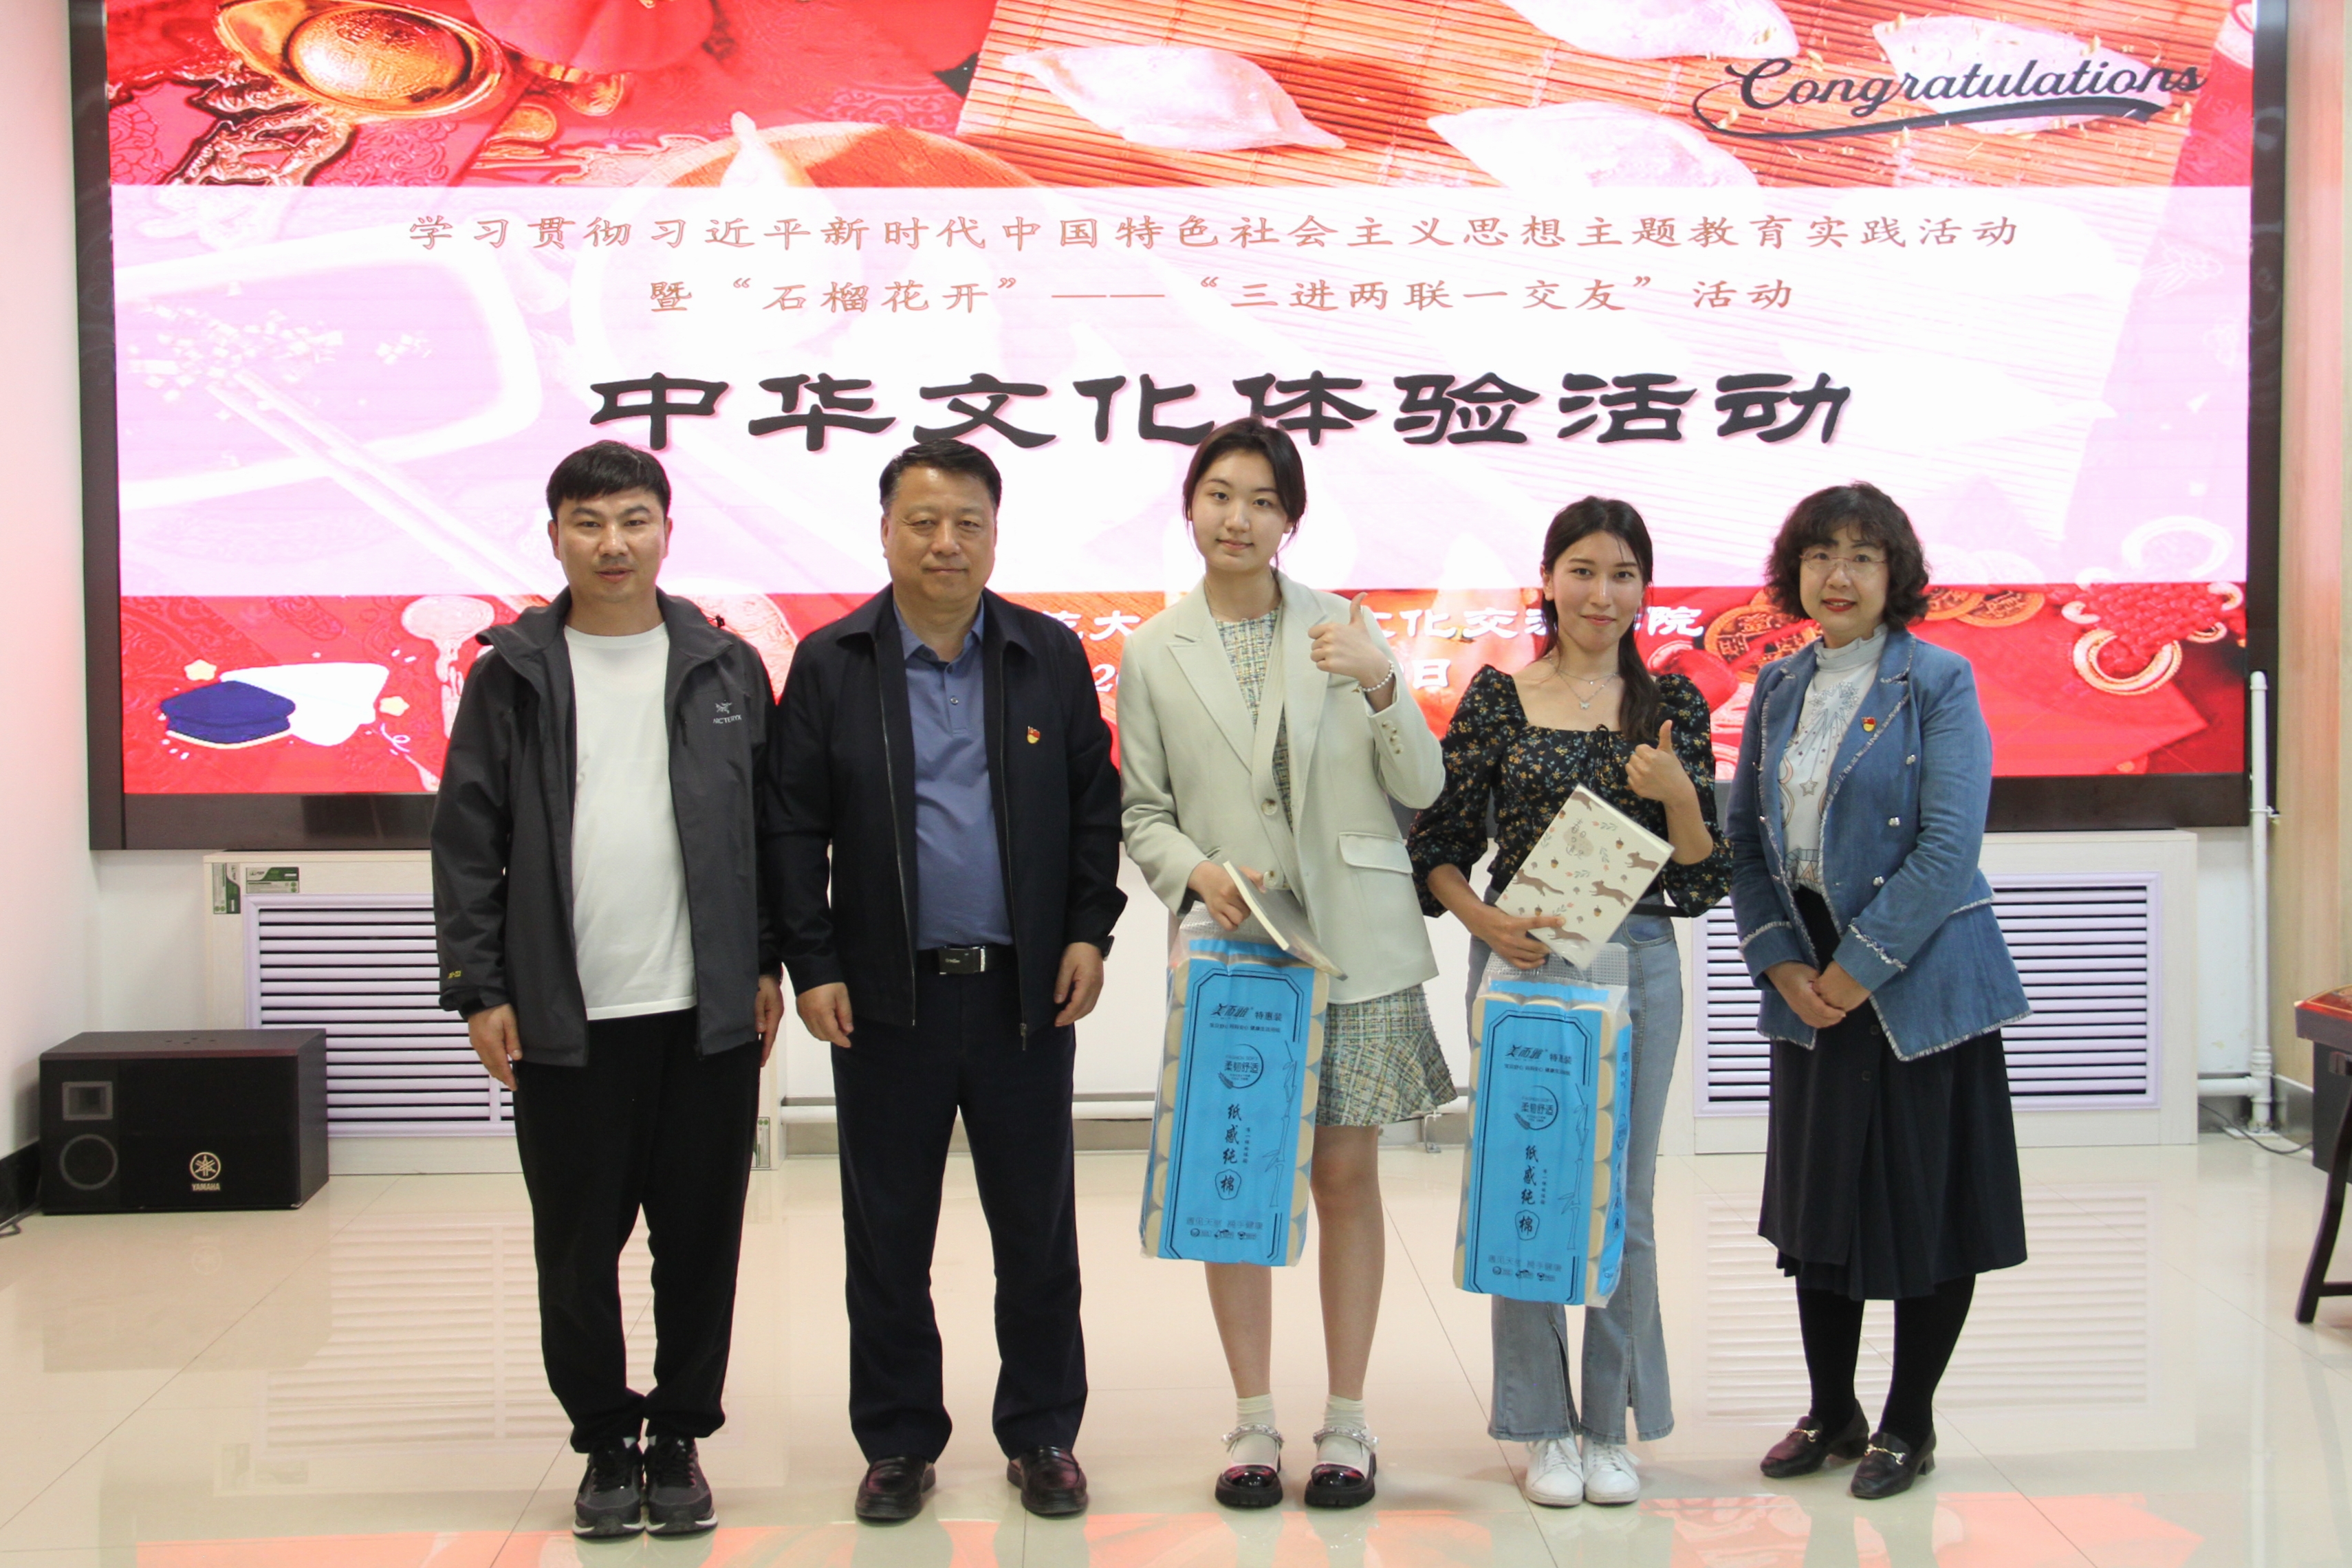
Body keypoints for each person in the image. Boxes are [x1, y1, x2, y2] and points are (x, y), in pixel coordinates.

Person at [767, 438, 1126, 1525]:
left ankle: (1043, 1434)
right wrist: (813, 962)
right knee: (887, 1237)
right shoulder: (832, 663)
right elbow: (792, 827)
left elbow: (1093, 806)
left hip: (1025, 997)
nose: (945, 543)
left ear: (994, 534)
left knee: (1037, 1232)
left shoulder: (1044, 654)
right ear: (885, 532)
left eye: (968, 522)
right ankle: (897, 1441)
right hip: (887, 1000)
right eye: (922, 522)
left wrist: (1089, 932)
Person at [431, 439, 785, 1540]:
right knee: (578, 1249)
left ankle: (677, 1435)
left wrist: (766, 963)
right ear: (555, 539)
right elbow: (467, 839)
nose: (613, 543)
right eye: (588, 523)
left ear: (667, 532)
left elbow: (768, 831)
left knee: (700, 1243)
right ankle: (599, 1440)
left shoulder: (725, 668)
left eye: (634, 519)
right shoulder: (510, 674)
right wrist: (478, 987)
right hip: (565, 1017)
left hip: (704, 1014)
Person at [1118, 417, 1448, 1512]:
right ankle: (1252, 1421)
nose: (1240, 518)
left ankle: (1347, 1421)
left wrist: (1384, 682)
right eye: (1221, 494)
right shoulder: (1153, 650)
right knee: (1238, 1179)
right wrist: (1197, 872)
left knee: (1346, 1178)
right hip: (1238, 948)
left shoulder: (1345, 626)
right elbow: (1144, 811)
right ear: (1191, 508)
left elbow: (1424, 787)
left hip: (1354, 938)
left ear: (1291, 521)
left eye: (1264, 500)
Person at [1408, 497, 1731, 1507]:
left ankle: (1609, 1424)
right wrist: (1486, 921)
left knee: (1623, 1199)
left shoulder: (1672, 703)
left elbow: (1700, 878)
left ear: (1644, 589)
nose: (1603, 593)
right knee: (1531, 1187)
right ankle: (1542, 1424)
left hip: (1640, 965)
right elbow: (1439, 848)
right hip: (1526, 966)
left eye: (1623, 573)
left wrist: (1679, 794)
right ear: (1549, 581)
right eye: (1583, 570)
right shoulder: (1500, 697)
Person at [1727, 483, 2029, 1500]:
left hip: (1916, 981)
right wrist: (1782, 963)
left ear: (1895, 573)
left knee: (1927, 1208)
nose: (1839, 574)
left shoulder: (1938, 680)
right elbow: (1746, 844)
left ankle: (1909, 1422)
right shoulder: (1778, 685)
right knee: (1821, 1209)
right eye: (1820, 554)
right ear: (1795, 572)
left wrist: (1853, 973)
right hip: (1808, 979)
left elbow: (1948, 850)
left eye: (1863, 555)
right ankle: (1832, 1410)